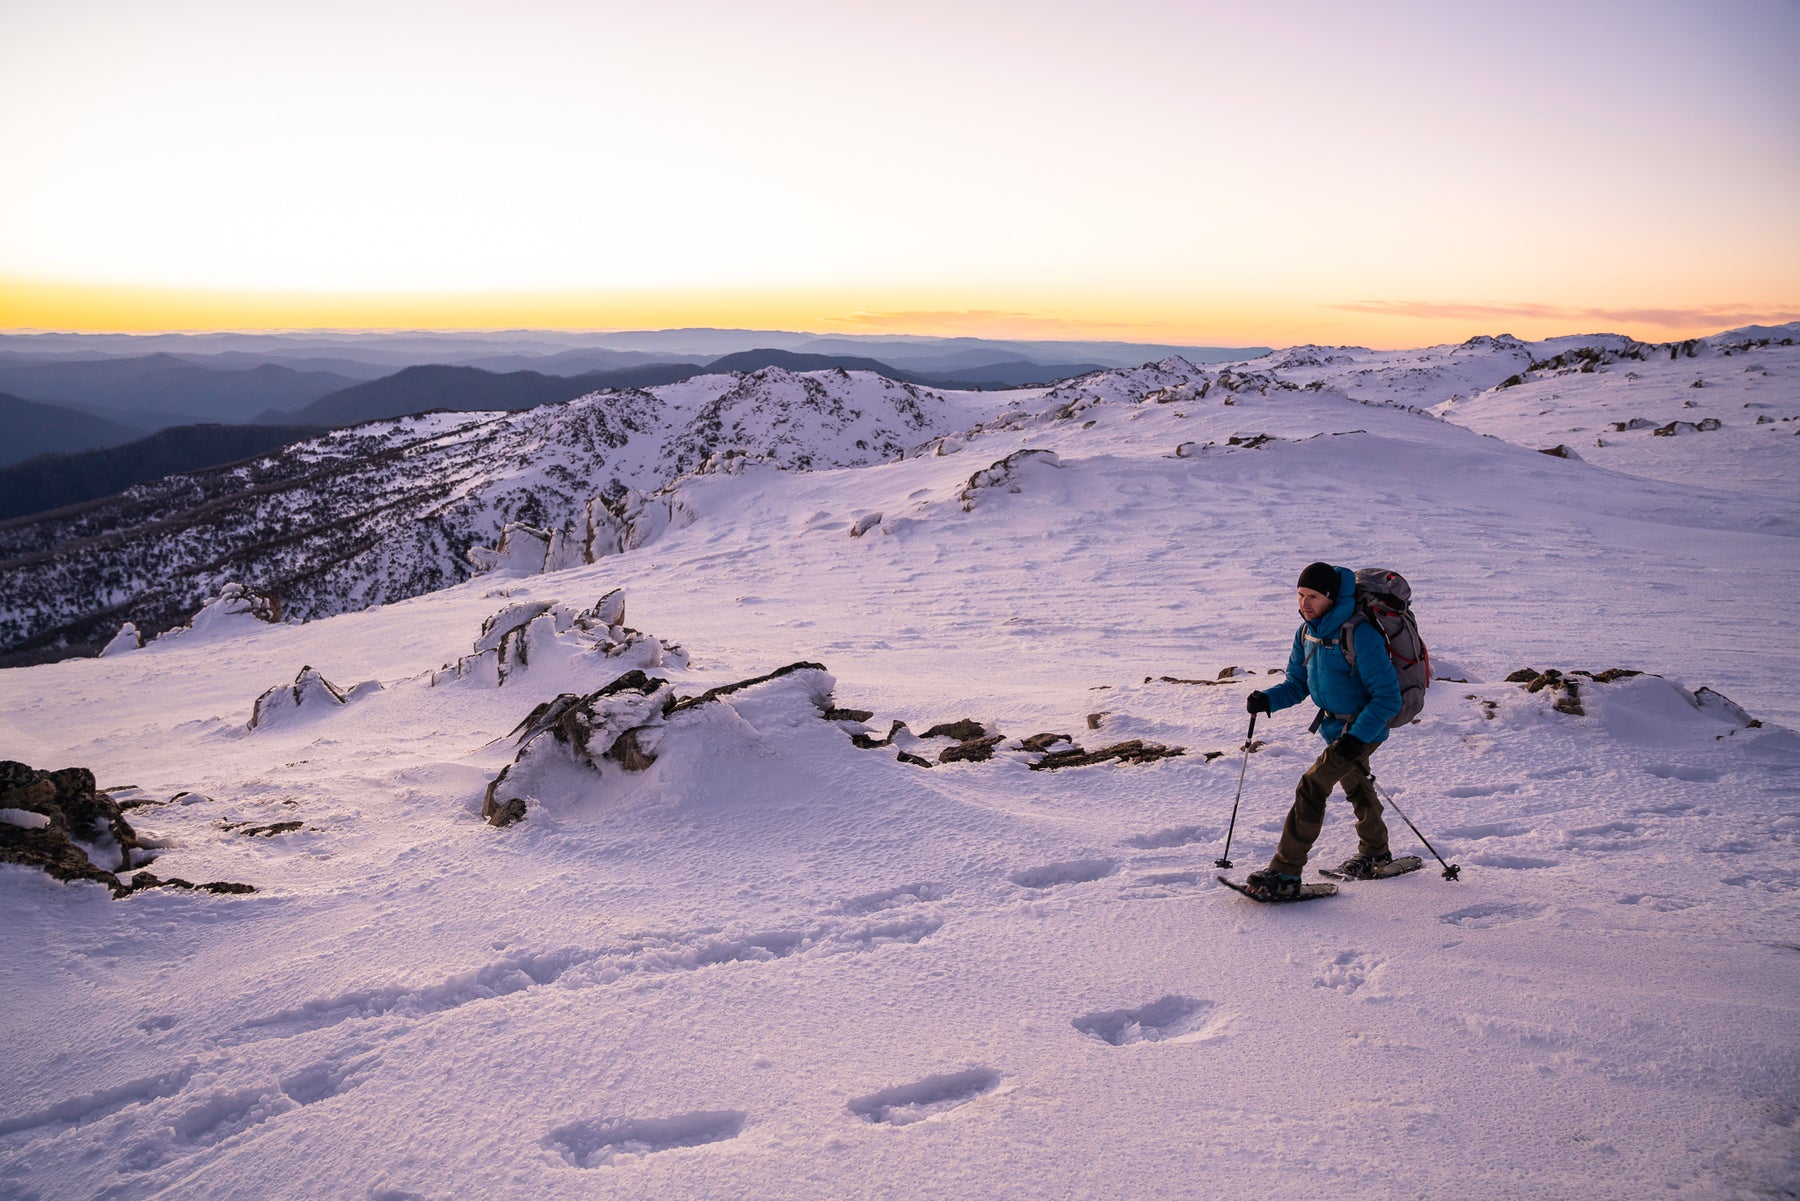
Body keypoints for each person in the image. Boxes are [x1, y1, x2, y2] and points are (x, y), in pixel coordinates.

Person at [1242, 562, 1403, 899]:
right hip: (1335, 729)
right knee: (1357, 785)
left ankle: (1286, 871)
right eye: (1300, 595)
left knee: (1313, 785)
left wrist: (1356, 739)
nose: (1305, 603)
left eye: (1313, 596)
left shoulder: (1360, 633)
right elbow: (1297, 684)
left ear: (1331, 597)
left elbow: (1387, 698)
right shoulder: (1307, 632)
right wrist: (1266, 700)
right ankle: (1376, 853)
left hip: (1362, 728)